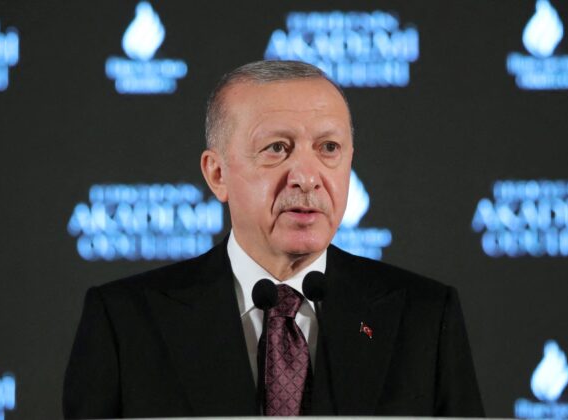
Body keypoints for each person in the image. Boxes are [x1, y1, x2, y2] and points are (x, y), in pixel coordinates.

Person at [63, 60, 484, 418]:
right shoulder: (125, 322)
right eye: (278, 148)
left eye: (329, 147)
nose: (306, 176)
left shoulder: (425, 318)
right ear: (218, 174)